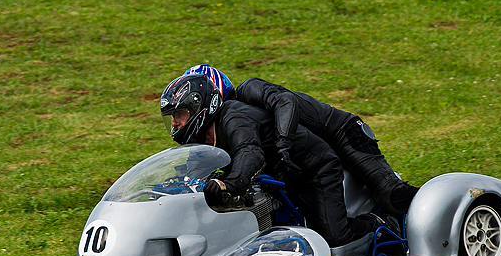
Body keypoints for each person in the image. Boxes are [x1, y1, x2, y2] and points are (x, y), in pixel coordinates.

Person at [160, 72, 392, 249]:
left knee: (334, 238)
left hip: (313, 169)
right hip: (284, 173)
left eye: (179, 114)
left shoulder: (233, 117)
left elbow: (250, 152)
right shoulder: (206, 139)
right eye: (172, 117)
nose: (174, 123)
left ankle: (382, 223)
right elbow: (196, 169)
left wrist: (229, 184)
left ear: (197, 107)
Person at [179, 65, 418, 216]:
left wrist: (283, 144)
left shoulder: (248, 92)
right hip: (312, 151)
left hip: (342, 132)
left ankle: (433, 210)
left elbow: (285, 102)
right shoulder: (226, 128)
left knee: (390, 194)